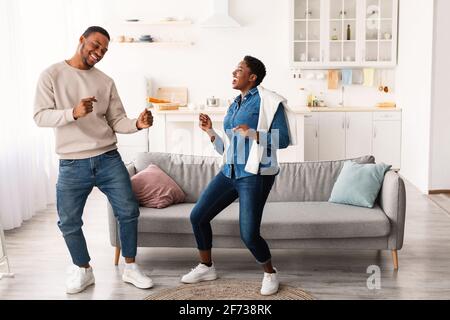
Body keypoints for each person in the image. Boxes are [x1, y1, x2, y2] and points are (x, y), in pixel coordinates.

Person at [33, 26, 154, 294]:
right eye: (95, 46)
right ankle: (83, 269)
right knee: (69, 221)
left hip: (108, 158)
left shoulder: (105, 81)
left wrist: (137, 123)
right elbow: (40, 116)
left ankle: (131, 267)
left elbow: (116, 120)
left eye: (103, 50)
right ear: (81, 40)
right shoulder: (52, 74)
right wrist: (72, 113)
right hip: (72, 162)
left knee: (128, 211)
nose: (98, 53)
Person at [181, 56, 294, 295]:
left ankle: (270, 273)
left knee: (249, 234)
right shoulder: (235, 103)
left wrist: (253, 133)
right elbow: (231, 147)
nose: (234, 72)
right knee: (198, 216)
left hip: (255, 174)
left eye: (240, 69)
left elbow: (283, 140)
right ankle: (206, 266)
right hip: (229, 171)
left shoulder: (269, 101)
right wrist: (210, 130)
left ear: (252, 77)